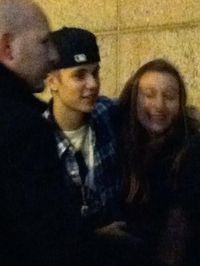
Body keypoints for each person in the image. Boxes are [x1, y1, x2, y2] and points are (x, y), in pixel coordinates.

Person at [44, 27, 126, 266]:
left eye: (95, 73)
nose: (92, 84)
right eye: (80, 75)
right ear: (53, 81)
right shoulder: (36, 141)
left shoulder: (108, 114)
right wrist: (94, 237)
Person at [0, 1, 70, 265]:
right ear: (8, 48)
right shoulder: (23, 128)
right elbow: (47, 240)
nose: (54, 56)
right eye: (44, 43)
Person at [119, 59, 200, 266]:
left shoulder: (190, 153)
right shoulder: (122, 145)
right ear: (133, 99)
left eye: (170, 96)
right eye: (148, 95)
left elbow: (175, 239)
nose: (159, 105)